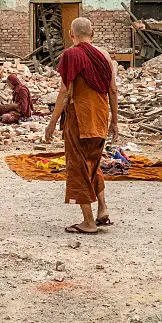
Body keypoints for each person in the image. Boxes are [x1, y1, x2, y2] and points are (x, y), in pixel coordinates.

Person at [45, 17, 118, 235]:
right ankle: (102, 209)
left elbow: (65, 92)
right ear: (92, 33)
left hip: (80, 117)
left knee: (78, 166)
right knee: (93, 163)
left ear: (71, 34)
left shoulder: (71, 54)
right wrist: (115, 120)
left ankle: (88, 222)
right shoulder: (104, 55)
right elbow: (113, 90)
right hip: (100, 115)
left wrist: (51, 123)